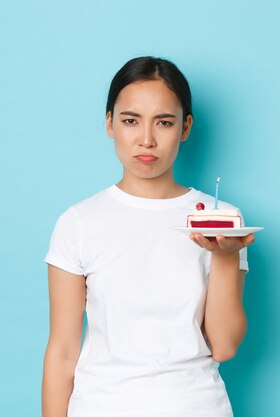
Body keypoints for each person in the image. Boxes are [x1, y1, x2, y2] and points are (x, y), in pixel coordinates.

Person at [41, 56, 255, 417]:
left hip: (196, 406)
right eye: (130, 120)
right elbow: (62, 351)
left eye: (164, 122)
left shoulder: (219, 220)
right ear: (109, 124)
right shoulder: (78, 222)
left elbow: (224, 345)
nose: (146, 139)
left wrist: (224, 255)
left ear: (185, 128)